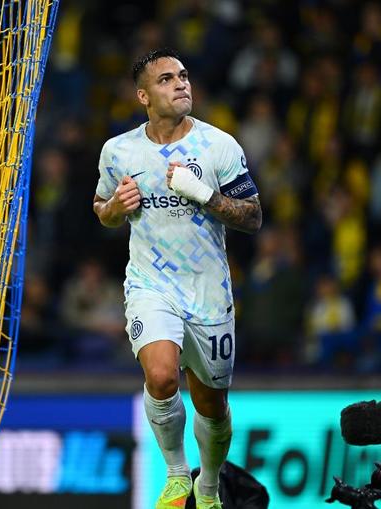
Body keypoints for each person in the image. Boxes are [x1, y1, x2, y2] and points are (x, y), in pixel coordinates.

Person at [93, 48, 262, 509]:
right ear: (144, 96)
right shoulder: (119, 151)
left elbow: (253, 216)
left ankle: (208, 487)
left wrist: (204, 193)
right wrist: (115, 207)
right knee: (163, 377)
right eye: (167, 79)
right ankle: (175, 474)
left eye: (184, 75)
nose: (181, 83)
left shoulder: (219, 146)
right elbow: (102, 207)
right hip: (151, 285)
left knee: (212, 406)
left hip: (208, 293)